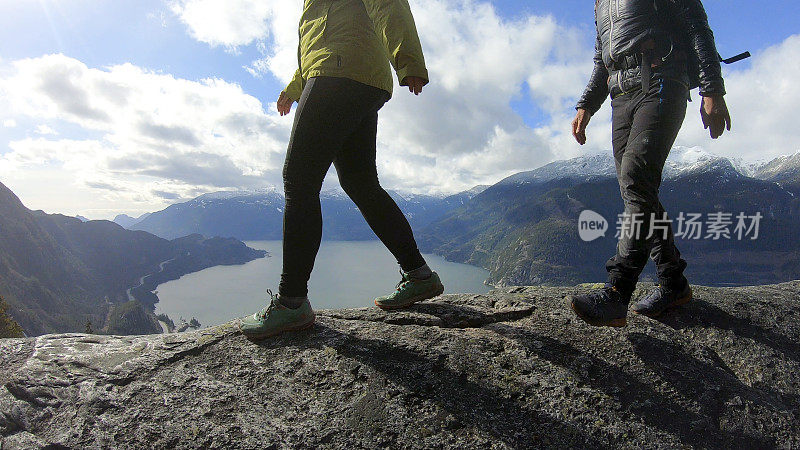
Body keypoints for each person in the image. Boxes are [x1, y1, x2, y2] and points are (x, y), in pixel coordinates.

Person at [240, 0, 444, 340]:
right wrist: (294, 88)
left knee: (299, 180)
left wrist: (408, 59)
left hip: (338, 73)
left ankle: (291, 302)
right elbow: (316, 41)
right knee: (359, 182)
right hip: (357, 74)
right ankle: (419, 275)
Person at [569, 0, 731, 327]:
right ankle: (673, 283)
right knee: (638, 192)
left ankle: (618, 290)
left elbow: (696, 26)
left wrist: (712, 89)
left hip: (660, 79)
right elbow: (603, 58)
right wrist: (586, 104)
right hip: (620, 94)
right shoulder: (600, 3)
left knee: (635, 178)